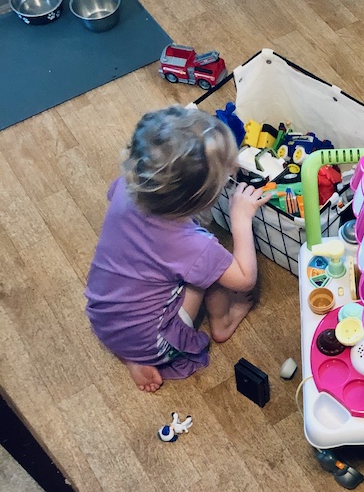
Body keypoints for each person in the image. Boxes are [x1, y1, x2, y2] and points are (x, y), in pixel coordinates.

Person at [85, 105, 270, 392]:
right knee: (208, 269)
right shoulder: (192, 246)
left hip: (104, 318)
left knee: (179, 267)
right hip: (155, 339)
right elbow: (244, 277)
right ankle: (223, 322)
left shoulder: (124, 187)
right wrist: (241, 219)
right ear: (202, 198)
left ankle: (133, 357)